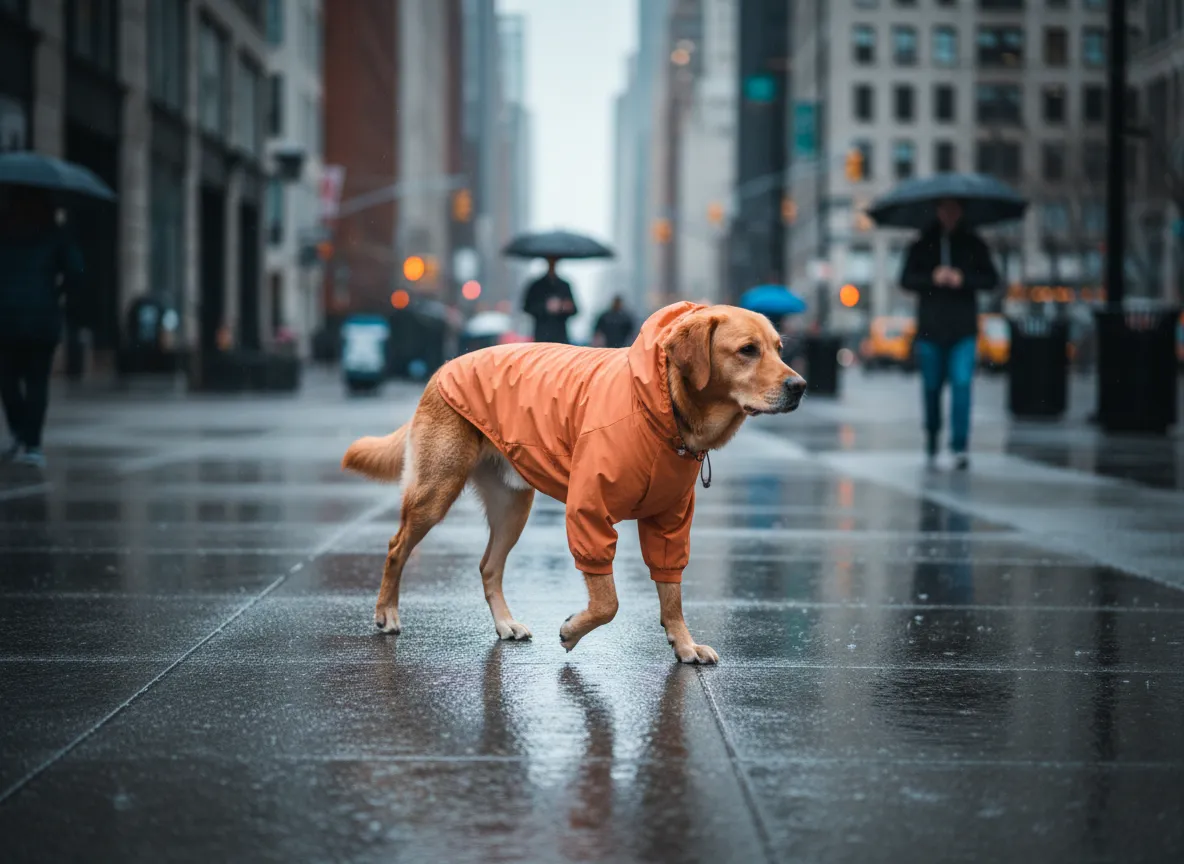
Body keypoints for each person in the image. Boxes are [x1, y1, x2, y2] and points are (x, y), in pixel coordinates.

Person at [900, 198, 999, 470]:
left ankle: (959, 446)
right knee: (931, 388)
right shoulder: (922, 244)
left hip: (963, 330)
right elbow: (906, 279)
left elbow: (991, 279)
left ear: (962, 211)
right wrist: (933, 277)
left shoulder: (974, 244)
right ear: (937, 211)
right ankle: (932, 435)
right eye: (945, 208)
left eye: (955, 209)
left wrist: (963, 279)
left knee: (962, 384)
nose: (949, 214)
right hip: (930, 330)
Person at [0, 186, 84, 469]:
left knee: (7, 379)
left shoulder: (4, 230)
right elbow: (76, 272)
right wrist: (58, 293)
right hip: (41, 318)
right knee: (37, 380)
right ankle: (32, 443)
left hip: (6, 317)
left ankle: (18, 430)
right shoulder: (55, 233)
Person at [522, 257, 577, 344]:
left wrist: (562, 307)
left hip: (560, 336)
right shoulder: (537, 286)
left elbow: (574, 309)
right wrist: (546, 307)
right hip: (541, 335)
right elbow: (527, 307)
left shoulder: (564, 286)